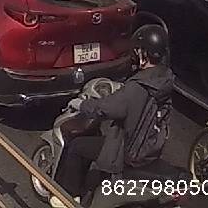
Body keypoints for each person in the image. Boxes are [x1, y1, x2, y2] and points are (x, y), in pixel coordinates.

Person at [53, 25, 174, 206]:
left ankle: (68, 198)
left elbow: (108, 108)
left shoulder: (138, 86)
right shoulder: (164, 80)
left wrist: (82, 104)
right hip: (147, 150)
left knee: (77, 147)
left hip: (125, 150)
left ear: (143, 53)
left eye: (137, 50)